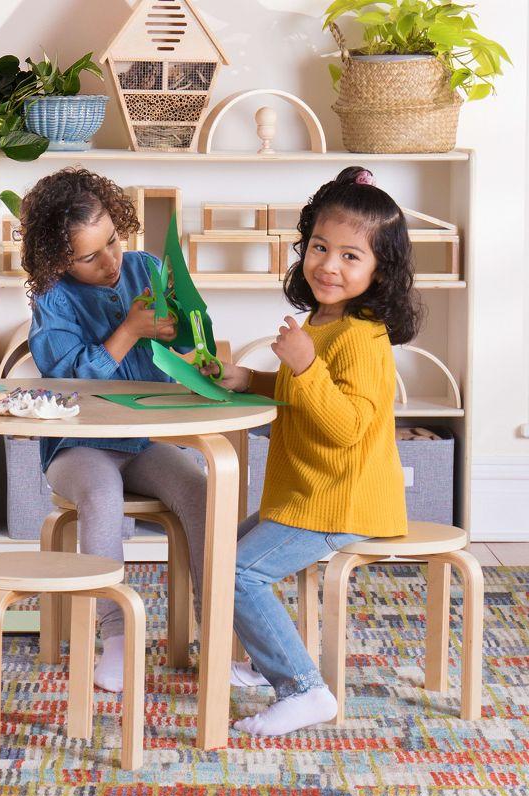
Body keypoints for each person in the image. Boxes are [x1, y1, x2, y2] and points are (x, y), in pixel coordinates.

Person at [203, 166, 422, 736]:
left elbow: (345, 427)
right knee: (221, 551)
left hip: (339, 501)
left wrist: (301, 362)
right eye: (321, 248)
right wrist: (248, 377)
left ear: (381, 271)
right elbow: (301, 397)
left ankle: (304, 688)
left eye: (352, 256)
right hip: (309, 494)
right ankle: (265, 657)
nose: (329, 265)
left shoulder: (361, 337)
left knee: (237, 574)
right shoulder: (323, 324)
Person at [22, 167, 208, 692]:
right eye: (89, 256)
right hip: (78, 447)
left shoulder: (147, 269)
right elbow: (70, 380)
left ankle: (219, 619)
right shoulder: (54, 300)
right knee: (102, 491)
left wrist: (190, 348)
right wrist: (129, 330)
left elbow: (183, 351)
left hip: (143, 442)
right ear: (57, 261)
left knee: (198, 488)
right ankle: (116, 634)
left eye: (112, 241)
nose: (110, 261)